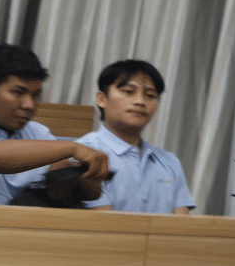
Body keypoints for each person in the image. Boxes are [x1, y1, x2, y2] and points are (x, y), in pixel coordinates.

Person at [0, 43, 111, 206]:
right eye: (18, 92)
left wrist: (90, 174)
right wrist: (72, 148)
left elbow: (79, 192)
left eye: (35, 95)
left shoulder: (38, 133)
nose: (29, 105)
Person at [81, 60, 195, 214]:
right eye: (129, 92)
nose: (140, 101)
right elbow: (104, 223)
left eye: (150, 95)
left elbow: (182, 225)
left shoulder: (170, 162)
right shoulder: (84, 152)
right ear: (102, 99)